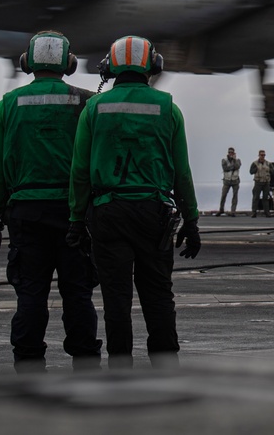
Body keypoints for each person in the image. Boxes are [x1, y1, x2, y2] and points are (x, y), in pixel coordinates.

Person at [67, 35, 200, 368]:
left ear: (108, 68)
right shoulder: (168, 107)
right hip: (154, 213)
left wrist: (75, 220)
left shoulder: (94, 108)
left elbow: (80, 171)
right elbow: (181, 172)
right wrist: (192, 220)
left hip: (108, 212)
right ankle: (166, 368)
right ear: (154, 65)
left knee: (116, 299)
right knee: (158, 296)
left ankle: (120, 371)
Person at [0, 31, 102, 373]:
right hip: (75, 214)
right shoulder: (87, 102)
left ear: (27, 63)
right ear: (70, 64)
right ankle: (86, 360)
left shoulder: (7, 105)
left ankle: (29, 361)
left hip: (25, 213)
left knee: (30, 293)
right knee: (78, 292)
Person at [249, 150, 274, 218]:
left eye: (263, 155)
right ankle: (254, 212)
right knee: (256, 198)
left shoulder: (268, 163)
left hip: (266, 182)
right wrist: (256, 169)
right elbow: (251, 171)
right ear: (259, 155)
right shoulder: (255, 163)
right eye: (261, 155)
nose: (262, 156)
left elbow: (273, 171)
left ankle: (267, 212)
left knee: (265, 198)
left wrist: (269, 169)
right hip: (258, 182)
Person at [217, 147, 241, 216]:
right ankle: (221, 209)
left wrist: (234, 160)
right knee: (223, 195)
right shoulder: (224, 160)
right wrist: (232, 167)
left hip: (235, 181)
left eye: (232, 152)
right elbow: (225, 168)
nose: (231, 154)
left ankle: (233, 211)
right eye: (229, 152)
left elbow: (237, 166)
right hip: (227, 181)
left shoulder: (238, 160)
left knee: (235, 196)